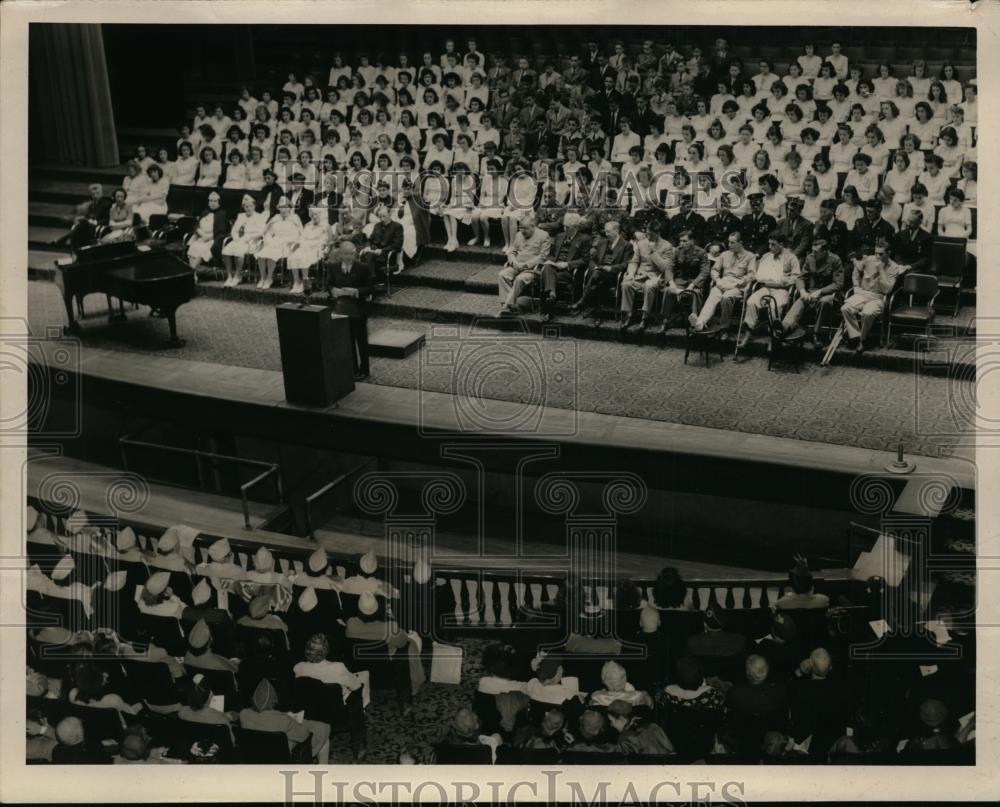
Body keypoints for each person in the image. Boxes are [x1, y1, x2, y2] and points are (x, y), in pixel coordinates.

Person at [239, 678, 331, 763]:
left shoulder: (243, 714)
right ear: (274, 700)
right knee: (322, 733)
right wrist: (295, 722)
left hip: (254, 754)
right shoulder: (284, 721)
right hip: (280, 756)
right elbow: (304, 736)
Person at [736, 231, 800, 348]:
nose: (770, 247)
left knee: (774, 306)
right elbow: (757, 274)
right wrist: (747, 280)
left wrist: (785, 281)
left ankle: (774, 336)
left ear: (781, 244)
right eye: (769, 244)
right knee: (751, 301)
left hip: (782, 289)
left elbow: (796, 277)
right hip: (766, 287)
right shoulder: (766, 256)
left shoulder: (791, 258)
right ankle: (747, 335)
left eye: (773, 244)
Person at [839, 239, 904, 352]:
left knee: (867, 313)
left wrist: (881, 271)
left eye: (881, 254)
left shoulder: (894, 267)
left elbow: (887, 289)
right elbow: (857, 269)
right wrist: (855, 284)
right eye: (876, 253)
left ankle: (862, 340)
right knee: (845, 308)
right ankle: (855, 336)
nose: (877, 256)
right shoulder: (868, 259)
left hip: (877, 297)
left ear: (889, 253)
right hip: (863, 293)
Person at [326, 240, 374, 380]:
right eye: (345, 254)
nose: (348, 257)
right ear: (340, 254)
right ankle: (352, 369)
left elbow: (371, 288)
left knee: (361, 341)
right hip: (340, 309)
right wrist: (333, 290)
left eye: (351, 254)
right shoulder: (333, 267)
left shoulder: (363, 267)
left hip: (358, 309)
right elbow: (329, 285)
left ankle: (364, 369)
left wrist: (355, 291)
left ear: (355, 254)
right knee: (347, 340)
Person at [781, 235, 844, 341]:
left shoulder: (835, 260)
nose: (813, 254)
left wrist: (820, 291)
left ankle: (816, 333)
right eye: (812, 251)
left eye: (816, 252)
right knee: (800, 302)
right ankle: (784, 328)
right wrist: (802, 291)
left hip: (829, 294)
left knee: (824, 302)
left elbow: (838, 284)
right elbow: (800, 278)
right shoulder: (810, 258)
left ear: (825, 251)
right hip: (811, 293)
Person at [570, 218, 633, 324]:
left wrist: (611, 268)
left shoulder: (627, 245)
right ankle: (598, 316)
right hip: (598, 273)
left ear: (616, 231)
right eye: (605, 231)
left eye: (608, 231)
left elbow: (626, 264)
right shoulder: (602, 243)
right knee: (598, 282)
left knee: (596, 276)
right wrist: (594, 266)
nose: (606, 234)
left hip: (614, 276)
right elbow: (592, 259)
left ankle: (582, 301)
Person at [620, 216, 675, 333]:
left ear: (658, 233)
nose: (648, 237)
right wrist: (631, 273)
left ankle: (645, 318)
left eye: (651, 235)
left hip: (656, 277)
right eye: (647, 234)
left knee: (649, 286)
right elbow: (634, 261)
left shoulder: (667, 246)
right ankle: (628, 315)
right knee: (626, 283)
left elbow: (665, 267)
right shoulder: (641, 243)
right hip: (641, 275)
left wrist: (653, 252)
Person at [539, 210, 591, 321]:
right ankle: (552, 294)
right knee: (547, 267)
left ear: (575, 227)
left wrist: (567, 264)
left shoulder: (584, 239)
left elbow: (585, 260)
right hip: (554, 268)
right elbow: (551, 255)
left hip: (568, 272)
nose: (564, 229)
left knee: (547, 274)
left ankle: (549, 306)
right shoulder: (559, 236)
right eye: (564, 226)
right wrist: (551, 261)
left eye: (567, 227)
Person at [497, 215, 552, 316]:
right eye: (520, 227)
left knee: (520, 279)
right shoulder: (519, 235)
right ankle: (512, 306)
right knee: (502, 274)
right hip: (517, 266)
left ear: (533, 226)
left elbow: (542, 257)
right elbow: (512, 252)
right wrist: (514, 262)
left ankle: (507, 306)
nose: (522, 231)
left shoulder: (544, 236)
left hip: (533, 269)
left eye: (525, 228)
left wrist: (525, 265)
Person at [659, 229, 709, 332]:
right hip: (680, 281)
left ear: (692, 241)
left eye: (685, 241)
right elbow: (669, 268)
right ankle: (665, 320)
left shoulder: (701, 252)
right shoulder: (677, 251)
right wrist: (671, 282)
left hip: (694, 281)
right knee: (668, 291)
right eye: (680, 241)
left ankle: (695, 321)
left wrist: (693, 284)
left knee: (695, 293)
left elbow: (704, 272)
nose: (682, 243)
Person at [221, 193, 268, 286]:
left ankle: (238, 276)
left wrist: (250, 237)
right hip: (239, 239)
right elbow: (234, 230)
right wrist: (236, 238)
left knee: (238, 251)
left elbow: (262, 232)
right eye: (246, 206)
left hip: (251, 241)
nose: (248, 208)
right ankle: (230, 276)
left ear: (254, 206)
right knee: (225, 251)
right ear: (244, 207)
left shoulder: (259, 217)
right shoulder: (241, 216)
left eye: (250, 206)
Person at [256, 196, 303, 289]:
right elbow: (267, 231)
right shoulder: (276, 217)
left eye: (285, 207)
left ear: (290, 208)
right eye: (281, 207)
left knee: (271, 256)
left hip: (287, 244)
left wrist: (291, 241)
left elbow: (300, 233)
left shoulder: (295, 218)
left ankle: (269, 278)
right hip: (274, 242)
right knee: (261, 256)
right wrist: (268, 241)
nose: (283, 210)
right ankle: (263, 277)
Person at [286, 202, 331, 293]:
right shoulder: (308, 225)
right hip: (304, 247)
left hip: (316, 249)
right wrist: (302, 244)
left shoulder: (325, 226)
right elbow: (302, 237)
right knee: (293, 257)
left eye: (317, 214)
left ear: (321, 215)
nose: (315, 216)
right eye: (313, 214)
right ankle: (296, 282)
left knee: (303, 258)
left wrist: (319, 245)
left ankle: (304, 282)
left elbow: (326, 239)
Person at [608, 699, 675, 756]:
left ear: (621, 718)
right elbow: (671, 751)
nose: (611, 725)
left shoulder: (627, 737)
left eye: (611, 721)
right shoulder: (653, 726)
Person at [185, 191, 228, 271]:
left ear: (219, 203)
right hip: (201, 238)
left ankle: (191, 272)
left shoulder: (222, 214)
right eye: (211, 201)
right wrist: (201, 233)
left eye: (215, 201)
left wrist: (208, 237)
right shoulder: (205, 212)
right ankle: (193, 273)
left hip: (212, 240)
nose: (212, 203)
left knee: (201, 251)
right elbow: (197, 226)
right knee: (193, 249)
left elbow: (220, 231)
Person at [67, 183, 112, 251]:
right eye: (93, 194)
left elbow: (108, 219)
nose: (95, 195)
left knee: (81, 226)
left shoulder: (106, 204)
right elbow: (88, 216)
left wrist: (96, 222)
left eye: (97, 193)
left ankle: (66, 239)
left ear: (101, 193)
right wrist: (85, 219)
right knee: (79, 222)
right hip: (88, 224)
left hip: (97, 225)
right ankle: (75, 248)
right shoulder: (92, 205)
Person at [891, 208, 932, 273]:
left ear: (919, 222)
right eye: (908, 221)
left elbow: (925, 258)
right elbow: (897, 253)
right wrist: (900, 264)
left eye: (912, 222)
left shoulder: (926, 237)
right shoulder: (901, 234)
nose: (909, 224)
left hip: (916, 268)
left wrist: (911, 266)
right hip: (901, 265)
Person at [739, 192, 777, 257]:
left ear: (763, 205)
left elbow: (770, 241)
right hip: (745, 252)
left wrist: (759, 253)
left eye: (758, 204)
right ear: (750, 206)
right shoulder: (745, 219)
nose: (756, 207)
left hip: (761, 253)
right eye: (753, 205)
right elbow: (741, 238)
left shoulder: (770, 220)